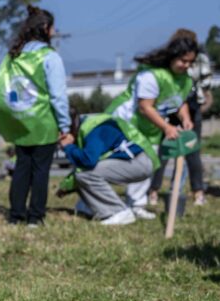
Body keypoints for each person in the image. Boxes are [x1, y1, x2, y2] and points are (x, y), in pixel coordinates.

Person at [0, 5, 72, 227]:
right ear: (45, 28)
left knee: (21, 168)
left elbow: (4, 88)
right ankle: (35, 217)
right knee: (40, 171)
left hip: (20, 121)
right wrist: (65, 125)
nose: (54, 31)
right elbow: (58, 96)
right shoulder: (49, 57)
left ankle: (16, 215)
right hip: (43, 123)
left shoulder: (14, 56)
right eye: (53, 27)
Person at [107, 33, 198, 218]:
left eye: (190, 62)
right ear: (173, 56)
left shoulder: (185, 79)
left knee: (147, 166)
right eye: (183, 60)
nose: (187, 65)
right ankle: (92, 202)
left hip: (151, 128)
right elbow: (144, 107)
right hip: (126, 123)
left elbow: (180, 102)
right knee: (112, 163)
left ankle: (136, 204)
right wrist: (167, 127)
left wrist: (185, 118)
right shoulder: (152, 75)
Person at [148, 29, 212, 208]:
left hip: (188, 106)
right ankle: (155, 190)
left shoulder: (197, 61)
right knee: (167, 150)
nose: (186, 65)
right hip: (172, 105)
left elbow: (204, 83)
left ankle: (195, 191)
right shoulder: (170, 67)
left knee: (186, 150)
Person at [61, 111, 158, 225]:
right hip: (137, 161)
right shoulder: (88, 127)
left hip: (139, 162)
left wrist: (68, 147)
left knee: (86, 174)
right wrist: (66, 186)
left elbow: (88, 161)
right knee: (83, 174)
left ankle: (119, 212)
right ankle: (89, 208)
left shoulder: (94, 129)